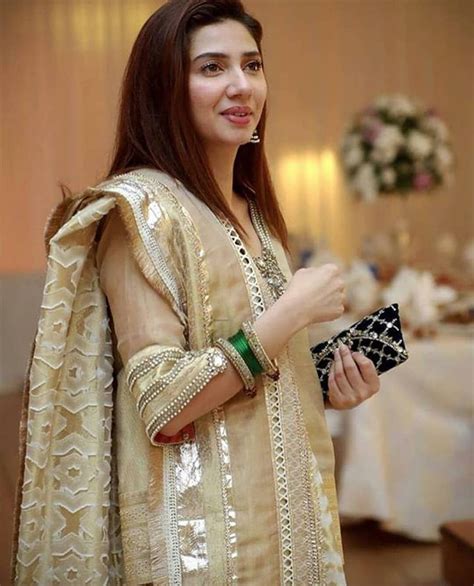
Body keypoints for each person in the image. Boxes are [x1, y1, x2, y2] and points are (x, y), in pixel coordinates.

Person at [12, 1, 380, 583]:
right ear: (164, 89)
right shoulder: (140, 212)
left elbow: (259, 372)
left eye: (252, 65)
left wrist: (329, 383)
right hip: (204, 547)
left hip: (292, 528)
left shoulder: (256, 215)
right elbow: (163, 401)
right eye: (212, 67)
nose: (241, 85)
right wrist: (291, 312)